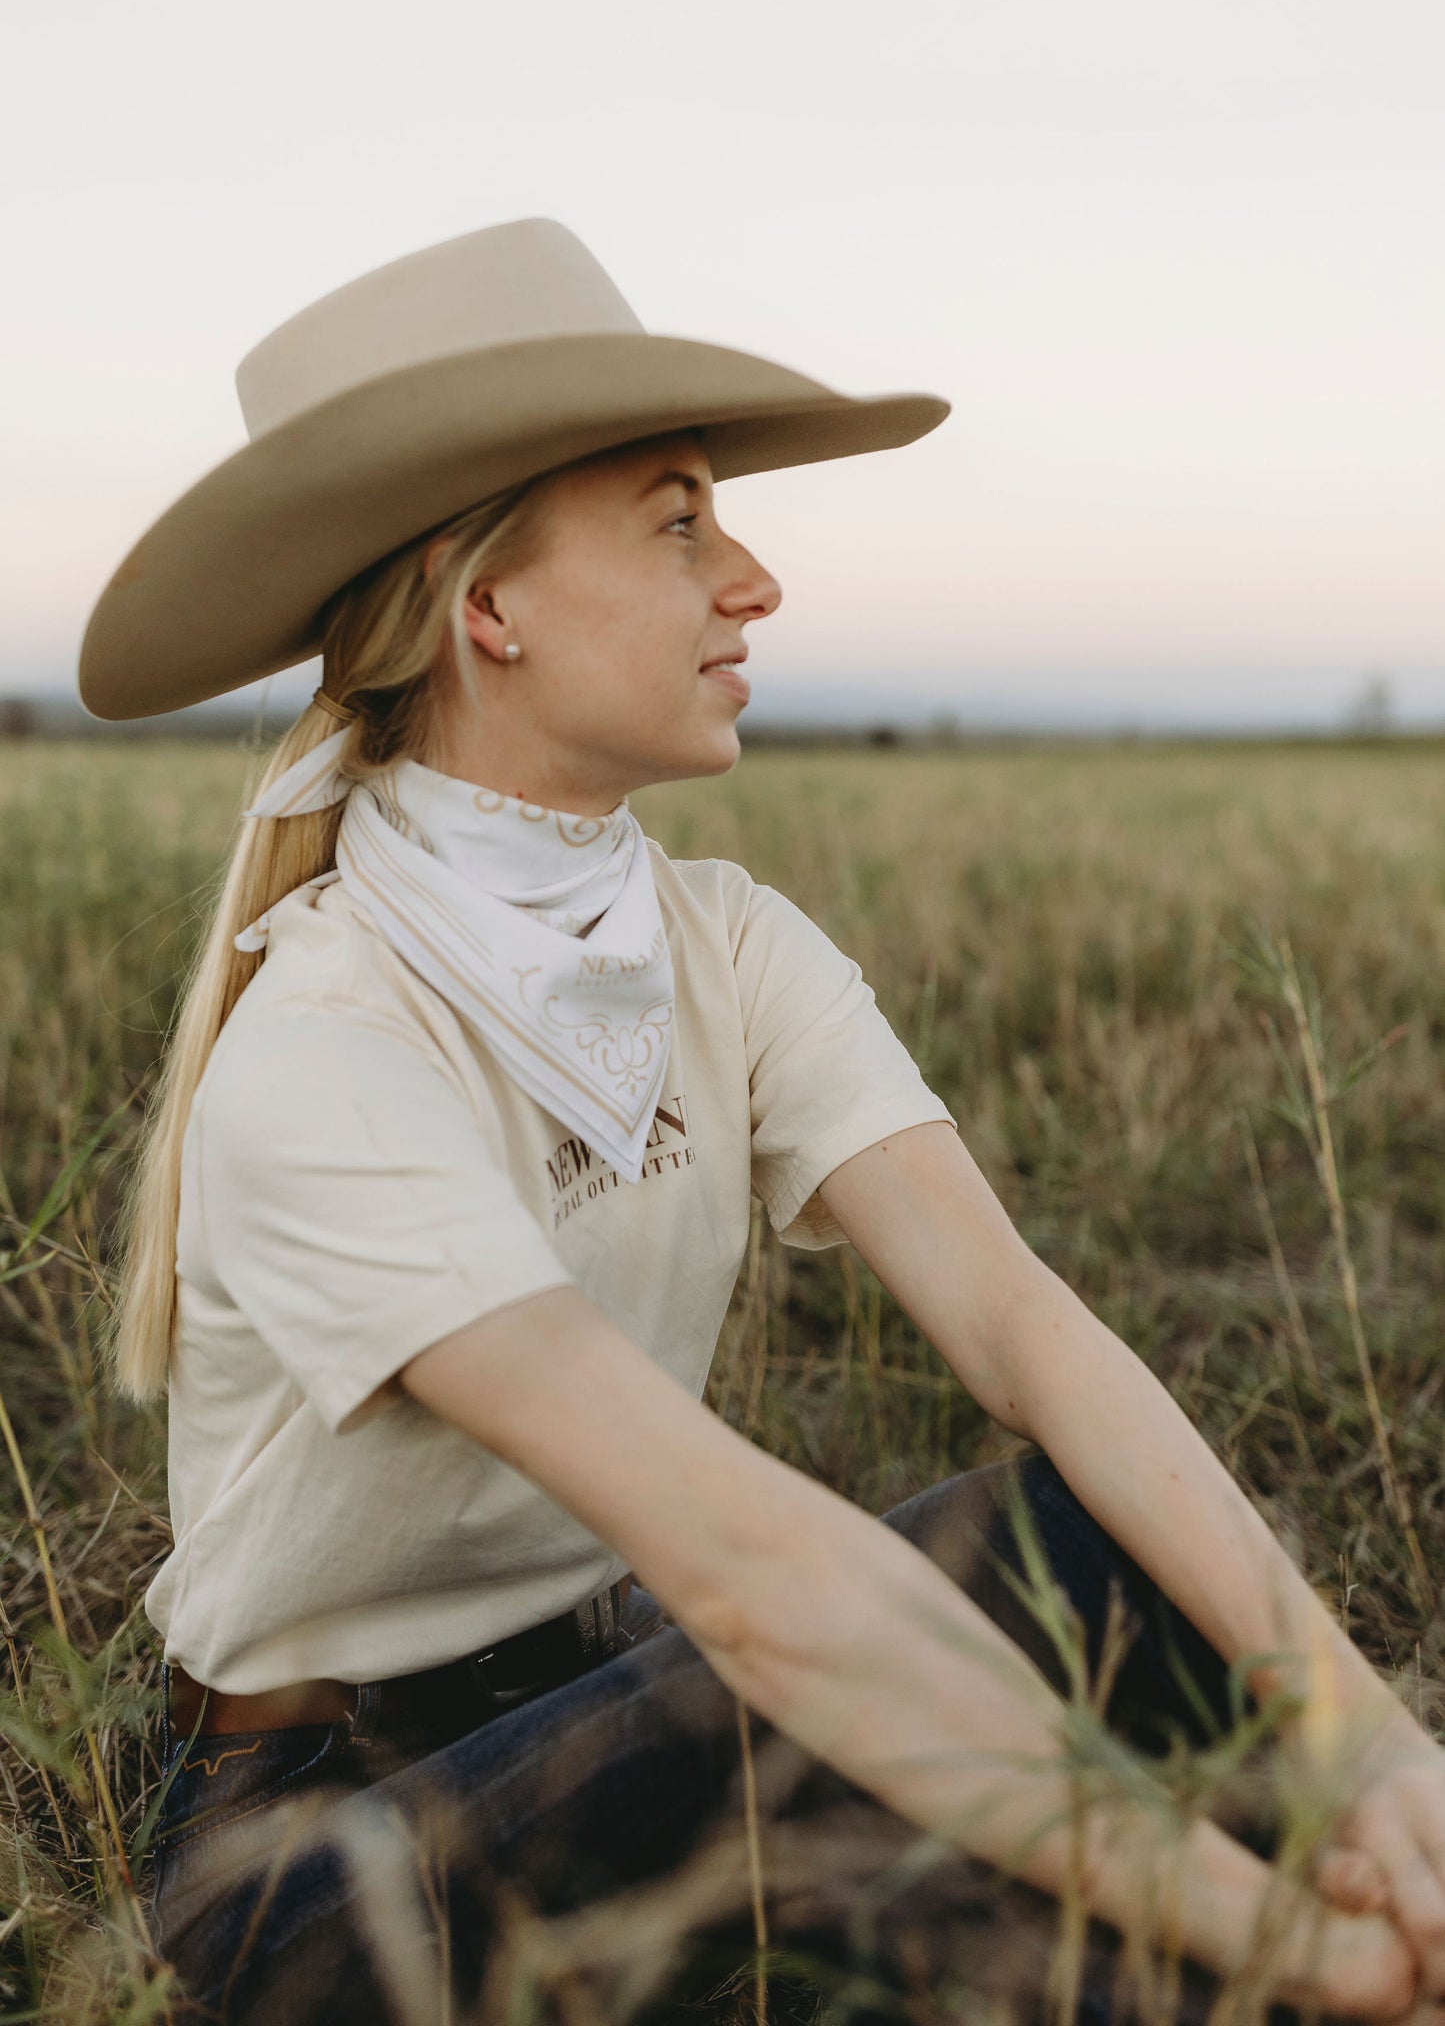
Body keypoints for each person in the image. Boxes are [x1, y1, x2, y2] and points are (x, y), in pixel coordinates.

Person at [82, 219, 1445, 2025]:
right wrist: (1300, 1954)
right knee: (847, 1701)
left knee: (1103, 1552)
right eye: (678, 522)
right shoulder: (326, 1046)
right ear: (486, 608)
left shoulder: (721, 941)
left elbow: (1025, 1331)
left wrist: (1371, 1752)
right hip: (315, 1866)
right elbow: (748, 1569)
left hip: (608, 1702)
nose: (754, 582)